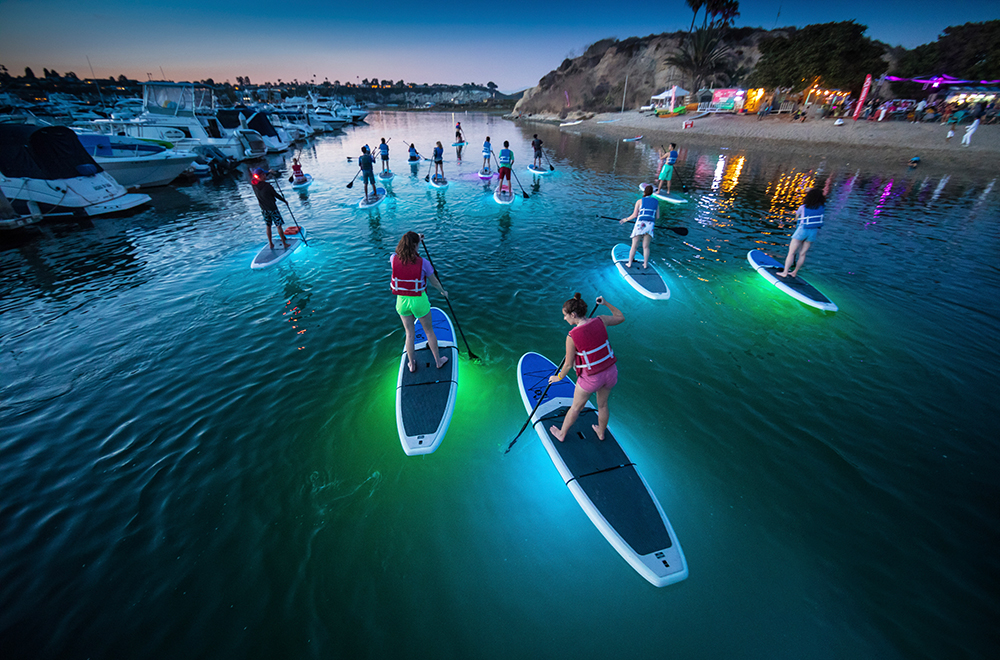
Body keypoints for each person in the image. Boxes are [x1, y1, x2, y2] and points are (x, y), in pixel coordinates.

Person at [548, 294, 624, 442]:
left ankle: (561, 434)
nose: (564, 318)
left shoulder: (571, 337)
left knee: (576, 407)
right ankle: (601, 432)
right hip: (611, 373)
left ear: (573, 314)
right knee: (602, 405)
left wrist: (558, 378)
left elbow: (568, 364)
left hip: (591, 379)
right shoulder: (601, 320)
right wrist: (606, 303)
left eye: (565, 315)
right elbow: (620, 317)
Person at [390, 231, 449, 373]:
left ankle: (411, 364)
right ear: (416, 245)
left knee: (409, 334)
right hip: (419, 301)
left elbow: (404, 253)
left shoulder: (393, 259)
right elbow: (434, 281)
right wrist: (443, 292)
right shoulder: (424, 263)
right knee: (429, 332)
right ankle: (438, 361)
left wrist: (416, 238)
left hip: (402, 302)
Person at [776, 186, 826, 278]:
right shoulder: (822, 207)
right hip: (813, 232)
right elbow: (817, 194)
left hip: (802, 230)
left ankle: (785, 272)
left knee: (791, 252)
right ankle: (794, 272)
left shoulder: (803, 207)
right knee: (802, 254)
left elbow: (796, 218)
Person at [250, 167, 289, 251]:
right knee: (279, 226)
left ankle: (271, 244)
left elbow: (256, 178)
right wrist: (284, 201)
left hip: (264, 209)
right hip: (272, 208)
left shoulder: (254, 185)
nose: (265, 176)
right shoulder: (268, 186)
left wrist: (268, 172)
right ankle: (284, 243)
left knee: (268, 226)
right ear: (261, 176)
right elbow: (276, 195)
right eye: (264, 174)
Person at [621, 185, 659, 269]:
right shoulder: (656, 202)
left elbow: (635, 215)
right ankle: (645, 264)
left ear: (644, 192)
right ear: (652, 193)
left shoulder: (639, 201)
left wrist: (625, 219)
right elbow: (658, 216)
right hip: (650, 225)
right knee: (646, 246)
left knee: (634, 245)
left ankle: (629, 263)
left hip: (640, 225)